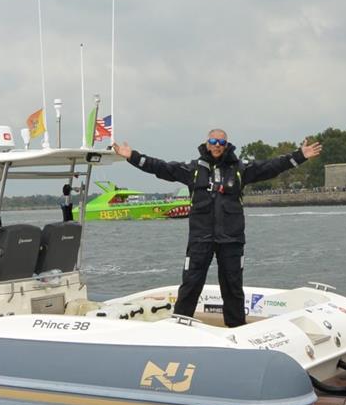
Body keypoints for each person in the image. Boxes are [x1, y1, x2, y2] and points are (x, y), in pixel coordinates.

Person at [112, 129, 322, 327]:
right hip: (200, 240)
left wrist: (299, 156)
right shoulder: (192, 169)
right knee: (191, 284)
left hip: (231, 240)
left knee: (232, 286)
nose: (217, 145)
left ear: (226, 144)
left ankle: (237, 328)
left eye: (221, 142)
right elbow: (162, 168)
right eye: (213, 141)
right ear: (207, 143)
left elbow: (271, 167)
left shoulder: (241, 169)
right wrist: (132, 156)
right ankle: (179, 326)